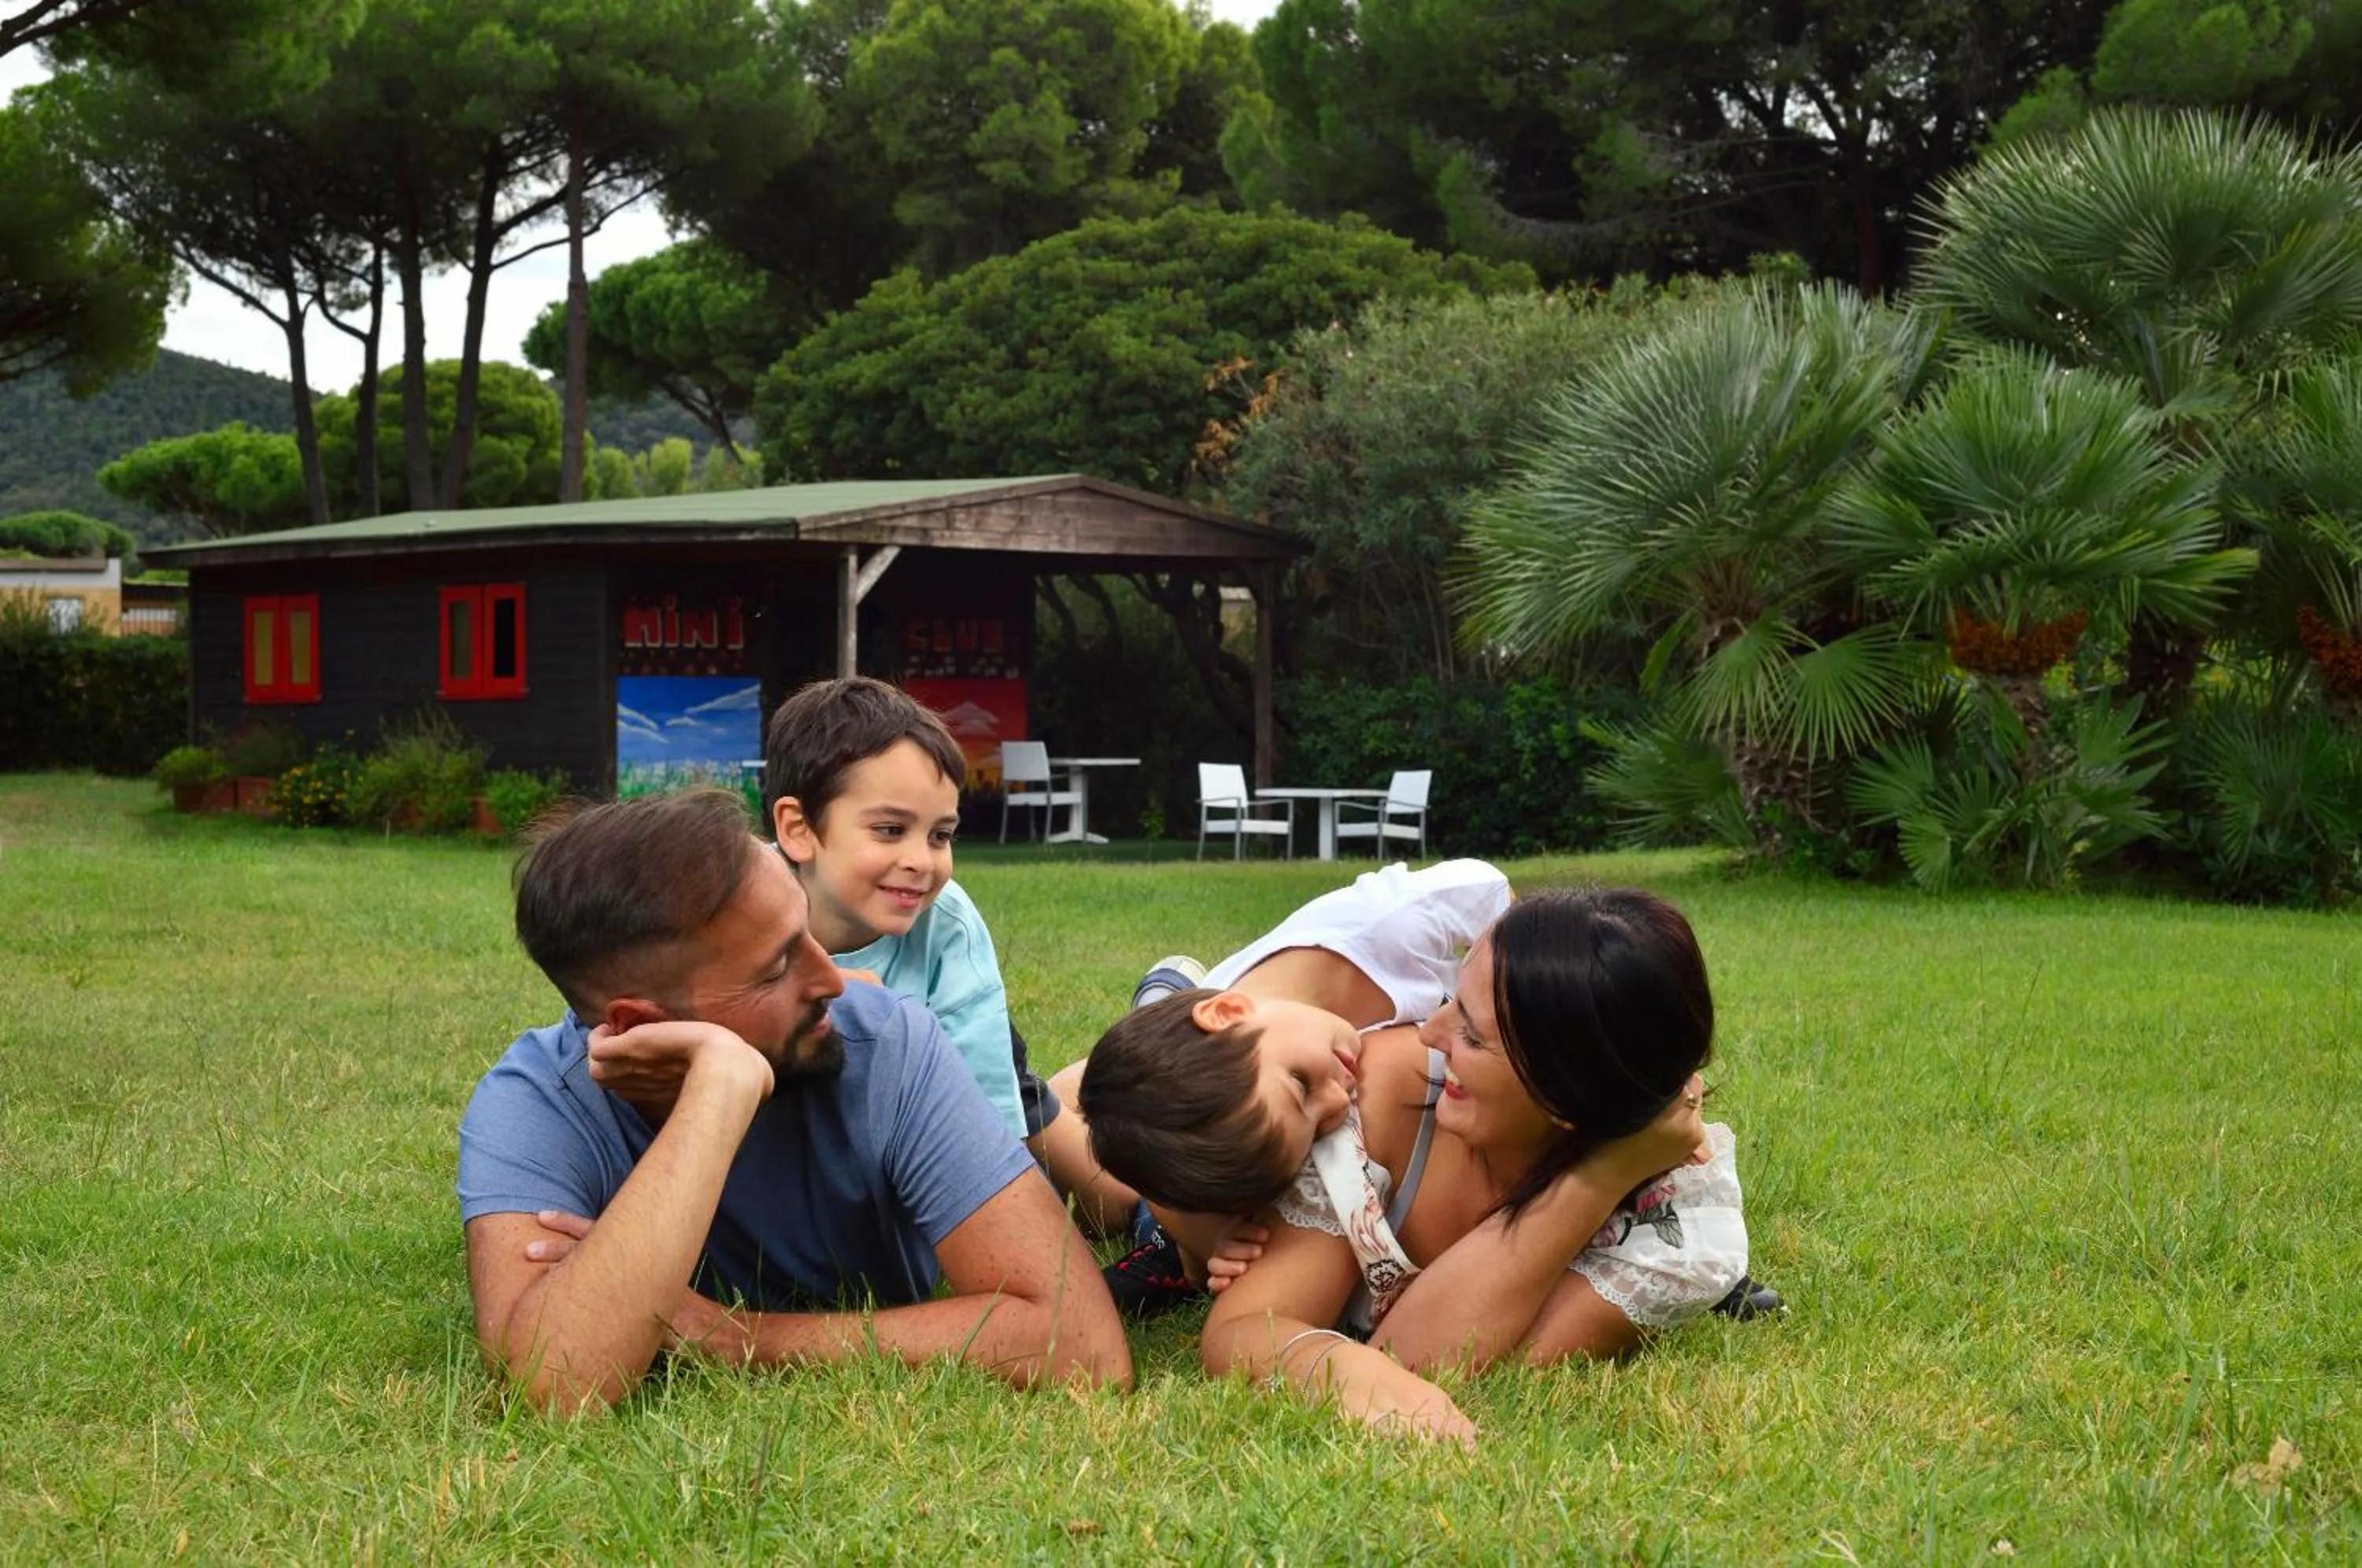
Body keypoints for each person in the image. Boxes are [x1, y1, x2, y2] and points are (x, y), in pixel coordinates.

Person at [456, 786, 1129, 1414]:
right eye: (777, 967)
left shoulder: (888, 1042)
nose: (832, 980)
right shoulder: (537, 1102)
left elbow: (1083, 1347)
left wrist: (741, 1338)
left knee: (1114, 1188)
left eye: (807, 931)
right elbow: (555, 1384)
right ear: (636, 1024)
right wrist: (717, 1092)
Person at [1061, 872, 1760, 1441]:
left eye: (1473, 1037)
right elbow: (1247, 1330)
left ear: (1564, 1101)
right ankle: (1063, 1084)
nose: (1428, 1030)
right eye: (1450, 999)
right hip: (1206, 1187)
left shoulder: (1674, 1237)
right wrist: (1334, 1368)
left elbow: (1431, 1358)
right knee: (1129, 1183)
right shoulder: (1375, 1098)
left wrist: (1599, 1177)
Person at [763, 677, 1054, 1150]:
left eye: (941, 836)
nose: (922, 861)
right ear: (799, 830)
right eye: (890, 829)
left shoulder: (947, 921)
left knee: (1086, 1155)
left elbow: (985, 1128)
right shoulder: (732, 907)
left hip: (941, 1076)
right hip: (795, 1113)